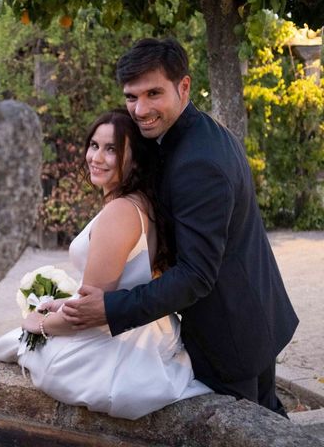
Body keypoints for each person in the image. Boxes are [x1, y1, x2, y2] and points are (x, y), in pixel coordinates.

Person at [60, 38, 299, 416]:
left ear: (183, 86)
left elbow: (196, 275)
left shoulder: (197, 161)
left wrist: (110, 307)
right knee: (271, 422)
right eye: (131, 97)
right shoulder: (192, 133)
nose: (140, 109)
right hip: (252, 314)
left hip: (229, 334)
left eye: (154, 93)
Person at [0, 108, 212, 420]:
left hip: (119, 333)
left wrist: (42, 325)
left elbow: (92, 311)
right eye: (94, 145)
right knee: (15, 343)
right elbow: (113, 288)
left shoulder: (121, 212)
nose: (97, 157)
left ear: (136, 158)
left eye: (112, 149)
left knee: (21, 347)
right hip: (134, 321)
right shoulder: (140, 201)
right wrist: (58, 306)